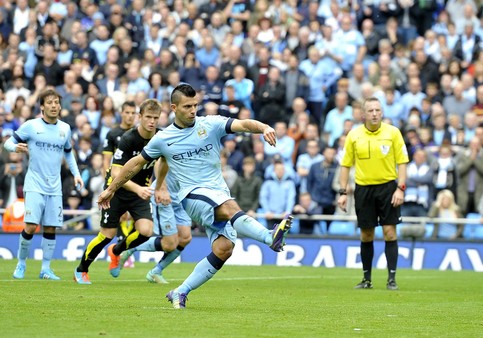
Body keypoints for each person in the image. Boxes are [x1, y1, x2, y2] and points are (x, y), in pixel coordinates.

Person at [97, 84, 293, 309]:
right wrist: (111, 188)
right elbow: (134, 164)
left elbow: (242, 124)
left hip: (217, 192)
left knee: (224, 248)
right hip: (192, 197)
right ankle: (270, 237)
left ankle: (180, 291)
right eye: (187, 106)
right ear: (173, 108)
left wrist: (264, 127)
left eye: (195, 105)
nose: (193, 110)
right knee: (229, 208)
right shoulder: (164, 138)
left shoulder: (209, 124)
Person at [73, 99, 162, 284]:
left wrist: (159, 186)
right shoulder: (128, 138)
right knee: (107, 235)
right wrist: (138, 189)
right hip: (117, 191)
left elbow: (164, 163)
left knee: (146, 231)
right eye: (148, 117)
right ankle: (81, 270)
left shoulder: (161, 137)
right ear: (140, 117)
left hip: (141, 192)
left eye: (156, 117)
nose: (152, 121)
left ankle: (116, 251)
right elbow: (115, 173)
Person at [4, 89, 84, 280]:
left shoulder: (64, 129)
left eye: (56, 102)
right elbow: (7, 143)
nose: (54, 106)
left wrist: (76, 174)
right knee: (31, 226)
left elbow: (68, 153)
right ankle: (21, 264)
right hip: (34, 184)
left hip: (54, 187)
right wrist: (15, 147)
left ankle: (45, 269)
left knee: (50, 227)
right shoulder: (31, 126)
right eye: (50, 103)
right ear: (42, 106)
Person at [337, 97, 409, 290]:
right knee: (367, 234)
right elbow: (345, 165)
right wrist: (343, 192)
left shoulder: (393, 133)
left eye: (378, 110)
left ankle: (391, 279)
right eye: (370, 111)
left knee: (389, 232)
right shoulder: (354, 135)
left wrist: (400, 188)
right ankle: (367, 279)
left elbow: (402, 162)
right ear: (363, 114)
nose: (375, 114)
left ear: (382, 112)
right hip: (363, 189)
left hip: (387, 188)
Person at [110, 160, 193, 284]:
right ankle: (131, 247)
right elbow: (160, 162)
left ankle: (155, 272)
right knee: (169, 245)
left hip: (180, 197)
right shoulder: (176, 142)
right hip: (163, 195)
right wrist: (162, 188)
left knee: (185, 237)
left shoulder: (201, 147)